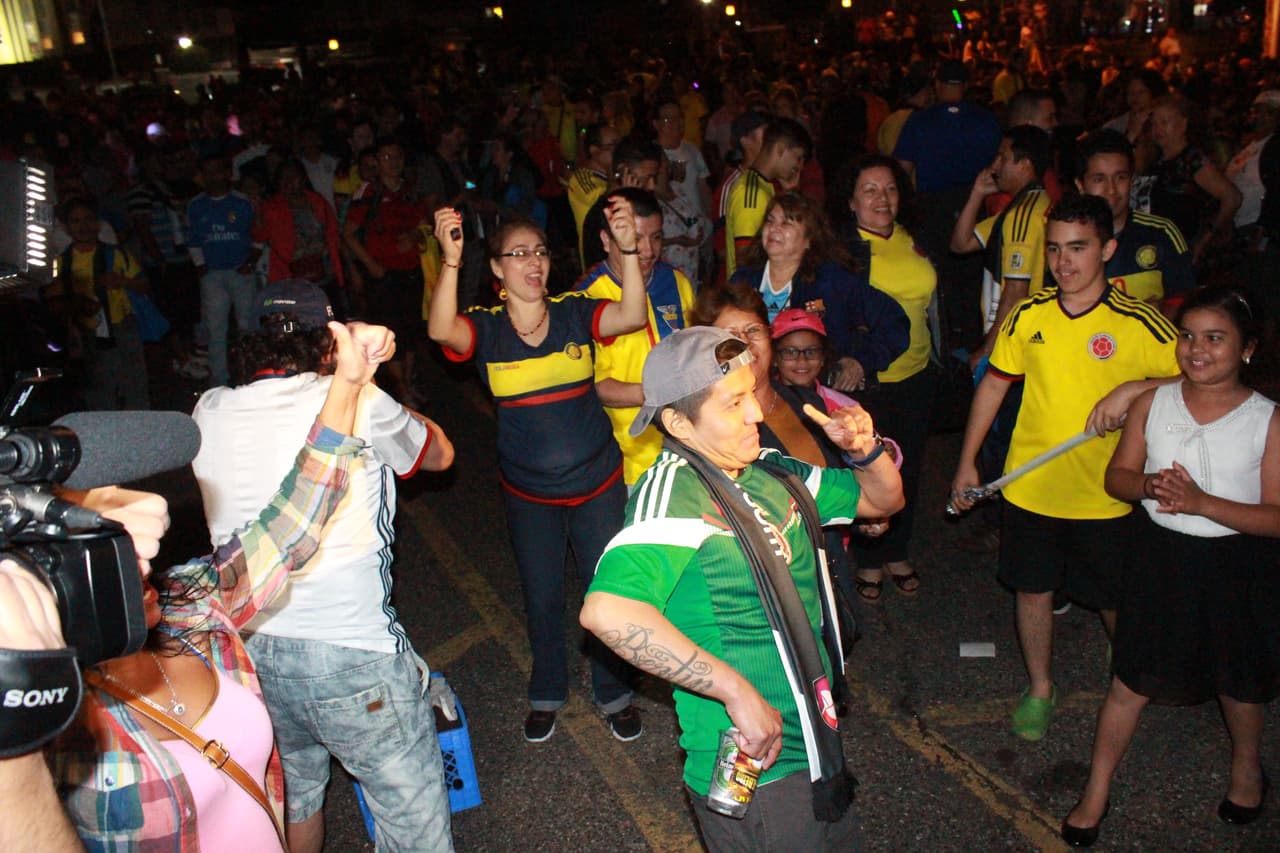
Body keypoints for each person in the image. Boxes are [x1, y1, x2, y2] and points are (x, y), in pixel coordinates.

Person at [0, 319, 395, 850]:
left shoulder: (193, 609)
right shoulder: (58, 727)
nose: (139, 560)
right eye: (104, 553)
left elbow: (292, 521)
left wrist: (347, 386)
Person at [579, 325, 904, 851]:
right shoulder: (673, 493)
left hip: (817, 741)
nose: (756, 413)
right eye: (733, 404)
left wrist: (865, 451)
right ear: (680, 424)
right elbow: (607, 613)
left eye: (751, 392)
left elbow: (882, 502)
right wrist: (734, 690)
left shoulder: (771, 469)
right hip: (759, 767)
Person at [193, 281, 456, 852]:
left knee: (295, 797)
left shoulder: (208, 408)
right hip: (352, 653)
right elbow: (438, 454)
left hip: (250, 648)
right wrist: (370, 380)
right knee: (413, 827)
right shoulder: (357, 398)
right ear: (329, 343)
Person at [949, 195, 1181, 743]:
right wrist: (966, 465)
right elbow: (994, 385)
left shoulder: (1139, 320)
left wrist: (1135, 387)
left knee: (1112, 598)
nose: (1063, 262)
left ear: (1108, 249)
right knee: (1032, 591)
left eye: (1078, 248)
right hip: (1030, 487)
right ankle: (1040, 687)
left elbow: (1196, 377)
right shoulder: (1029, 315)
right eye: (1054, 249)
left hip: (1108, 493)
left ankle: (1126, 673)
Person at [1060, 286, 1279, 847]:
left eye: (1215, 338)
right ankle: (1096, 788)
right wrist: (1149, 485)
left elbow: (1275, 516)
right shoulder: (1153, 404)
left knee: (1240, 678)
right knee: (1131, 678)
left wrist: (1205, 503)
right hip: (1162, 559)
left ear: (1247, 349)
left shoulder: (1267, 420)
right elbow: (1118, 477)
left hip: (1236, 565)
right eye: (1187, 336)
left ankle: (1246, 769)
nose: (1196, 349)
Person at [428, 201, 648, 743]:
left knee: (608, 589)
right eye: (518, 254)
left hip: (596, 482)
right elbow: (439, 331)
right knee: (542, 595)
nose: (533, 262)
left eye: (541, 252)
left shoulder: (574, 311)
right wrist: (451, 260)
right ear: (498, 269)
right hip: (529, 493)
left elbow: (633, 316)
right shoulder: (485, 330)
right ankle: (548, 689)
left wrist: (627, 251)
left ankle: (613, 689)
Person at [842, 155, 937, 601]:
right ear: (852, 202)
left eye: (890, 189)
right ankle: (868, 559)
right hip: (870, 383)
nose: (882, 198)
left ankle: (898, 549)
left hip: (916, 375)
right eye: (870, 190)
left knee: (909, 468)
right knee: (870, 470)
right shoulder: (846, 253)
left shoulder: (913, 238)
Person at [578, 187, 697, 487]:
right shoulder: (587, 299)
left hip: (685, 450)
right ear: (607, 240)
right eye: (636, 238)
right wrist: (657, 394)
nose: (647, 250)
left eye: (656, 237)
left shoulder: (676, 282)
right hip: (626, 461)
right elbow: (597, 386)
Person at [731, 190, 910, 389]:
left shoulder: (831, 281)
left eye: (786, 223)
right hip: (753, 389)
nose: (774, 228)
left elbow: (895, 322)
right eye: (770, 221)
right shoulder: (743, 279)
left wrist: (861, 362)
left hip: (816, 395)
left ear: (809, 239)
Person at [950, 125, 1054, 369]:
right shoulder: (1026, 206)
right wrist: (977, 193)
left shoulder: (1023, 215)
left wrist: (988, 350)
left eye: (1002, 157)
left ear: (1025, 165)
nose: (995, 165)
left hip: (1016, 340)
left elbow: (1016, 290)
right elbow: (960, 243)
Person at [42, 197, 151, 411]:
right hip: (86, 333)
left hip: (122, 326)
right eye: (76, 221)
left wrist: (122, 281)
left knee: (134, 382)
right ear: (65, 227)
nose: (83, 226)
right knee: (97, 388)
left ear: (98, 224)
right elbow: (53, 301)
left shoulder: (116, 254)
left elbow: (144, 285)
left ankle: (140, 429)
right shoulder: (61, 262)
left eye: (88, 220)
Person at [343, 137, 430, 407]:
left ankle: (408, 381)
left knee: (411, 329)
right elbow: (348, 234)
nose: (393, 163)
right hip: (384, 275)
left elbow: (423, 223)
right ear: (377, 162)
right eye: (386, 157)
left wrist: (415, 234)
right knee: (389, 331)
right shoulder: (367, 193)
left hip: (411, 271)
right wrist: (371, 266)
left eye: (397, 157)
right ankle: (401, 390)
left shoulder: (410, 192)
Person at [1075, 130, 1194, 308]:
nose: (1112, 190)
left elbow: (1189, 304)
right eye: (1099, 179)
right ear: (1080, 186)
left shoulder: (1162, 234)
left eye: (1120, 177)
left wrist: (1161, 311)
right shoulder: (1066, 241)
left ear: (1132, 180)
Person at [1135, 95, 1241, 266]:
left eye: (1164, 122)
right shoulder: (1155, 162)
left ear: (1183, 125)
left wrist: (1205, 239)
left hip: (1183, 252)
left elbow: (1232, 197)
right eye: (1154, 123)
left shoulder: (1192, 160)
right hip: (1157, 252)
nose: (1157, 129)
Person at [724, 118, 812, 280]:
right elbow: (745, 256)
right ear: (779, 149)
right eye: (798, 157)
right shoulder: (751, 192)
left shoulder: (765, 186)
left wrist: (792, 194)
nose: (800, 167)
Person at [255, 159, 347, 314]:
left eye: (292, 177)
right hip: (290, 275)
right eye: (283, 178)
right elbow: (259, 235)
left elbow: (333, 233)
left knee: (331, 319)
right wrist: (258, 212)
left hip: (323, 271)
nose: (288, 182)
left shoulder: (317, 200)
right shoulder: (272, 206)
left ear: (303, 179)